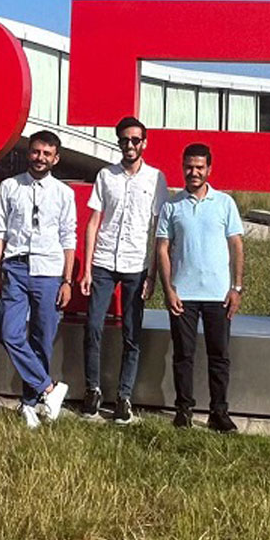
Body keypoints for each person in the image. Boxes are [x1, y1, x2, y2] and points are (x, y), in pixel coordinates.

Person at [77, 115, 168, 423]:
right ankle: (93, 389)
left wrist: (153, 275)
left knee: (132, 333)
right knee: (93, 327)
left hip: (136, 265)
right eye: (124, 140)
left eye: (135, 140)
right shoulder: (106, 175)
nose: (130, 145)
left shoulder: (156, 178)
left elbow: (158, 229)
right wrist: (87, 269)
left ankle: (124, 397)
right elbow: (93, 223)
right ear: (118, 142)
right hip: (103, 262)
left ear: (144, 142)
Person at [0, 130, 75, 428]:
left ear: (56, 158)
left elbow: (68, 236)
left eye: (47, 154)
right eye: (36, 152)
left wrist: (67, 280)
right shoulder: (10, 186)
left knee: (42, 339)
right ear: (30, 152)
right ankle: (50, 388)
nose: (40, 158)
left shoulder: (64, 193)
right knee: (9, 333)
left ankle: (29, 403)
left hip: (49, 272)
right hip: (15, 267)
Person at [157, 143, 244, 433]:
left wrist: (237, 288)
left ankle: (219, 413)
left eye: (199, 167)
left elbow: (236, 246)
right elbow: (162, 249)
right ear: (182, 167)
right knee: (183, 355)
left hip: (218, 295)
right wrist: (169, 289)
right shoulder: (171, 205)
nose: (193, 172)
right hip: (183, 295)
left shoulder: (224, 203)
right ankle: (183, 410)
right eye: (188, 167)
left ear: (209, 169)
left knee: (219, 356)